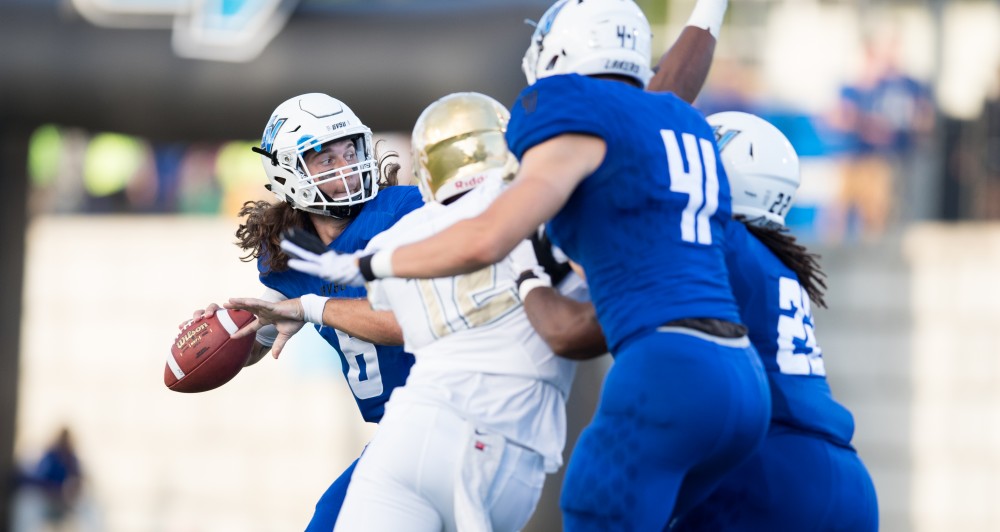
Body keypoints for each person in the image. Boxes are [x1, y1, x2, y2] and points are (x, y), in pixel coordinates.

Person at [277, 1, 771, 530]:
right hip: (729, 377)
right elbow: (667, 93)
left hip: (440, 422)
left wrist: (367, 270)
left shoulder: (420, 225)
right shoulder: (671, 127)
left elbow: (485, 240)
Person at [515, 113, 880, 530]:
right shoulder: (772, 259)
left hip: (766, 472)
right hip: (845, 481)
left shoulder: (716, 241)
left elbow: (602, 284)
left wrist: (524, 260)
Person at [187, 92, 425, 531]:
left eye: (348, 150)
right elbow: (279, 325)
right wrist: (230, 334)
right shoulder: (289, 259)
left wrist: (314, 308)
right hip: (401, 433)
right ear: (288, 173)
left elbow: (409, 324)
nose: (346, 167)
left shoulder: (406, 216)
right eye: (324, 160)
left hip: (447, 415)